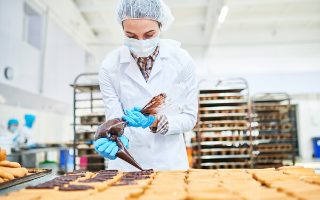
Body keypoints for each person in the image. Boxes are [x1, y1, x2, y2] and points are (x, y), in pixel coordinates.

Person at [95, 0, 197, 171]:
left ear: (161, 25)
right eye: (131, 36)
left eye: (149, 35)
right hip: (126, 165)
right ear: (122, 29)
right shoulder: (109, 67)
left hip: (169, 163)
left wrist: (154, 121)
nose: (141, 42)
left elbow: (189, 118)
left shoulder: (182, 61)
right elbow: (114, 117)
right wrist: (113, 138)